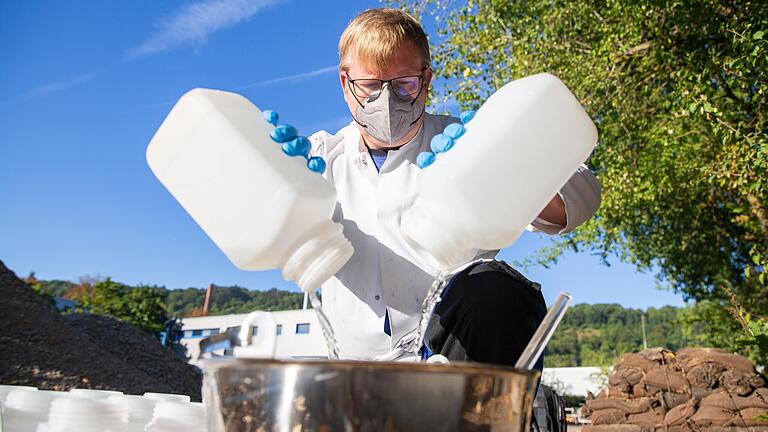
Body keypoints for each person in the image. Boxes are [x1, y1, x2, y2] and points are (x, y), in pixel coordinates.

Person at [307, 8, 601, 366]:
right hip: (355, 373)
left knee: (495, 288)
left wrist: (509, 168)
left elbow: (582, 197)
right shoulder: (319, 160)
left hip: (458, 354)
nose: (386, 101)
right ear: (344, 83)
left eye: (404, 85)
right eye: (369, 85)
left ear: (426, 80)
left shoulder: (463, 144)